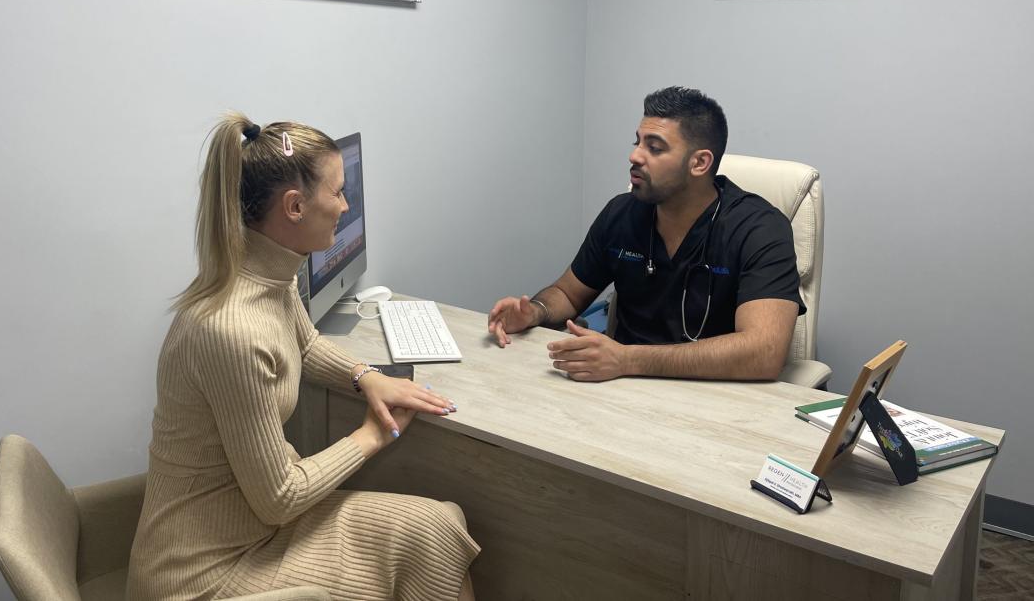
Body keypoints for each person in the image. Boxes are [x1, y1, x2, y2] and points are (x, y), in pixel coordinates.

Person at [127, 114, 478, 601]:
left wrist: (365, 375)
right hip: (203, 572)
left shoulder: (269, 273)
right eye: (337, 192)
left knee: (439, 528)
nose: (345, 205)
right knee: (432, 541)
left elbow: (305, 344)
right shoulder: (231, 331)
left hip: (252, 528)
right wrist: (373, 434)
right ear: (295, 207)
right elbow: (280, 497)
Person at [487, 87, 805, 382]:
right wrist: (535, 312)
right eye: (637, 142)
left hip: (716, 398)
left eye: (654, 147)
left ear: (700, 163)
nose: (635, 156)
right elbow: (569, 294)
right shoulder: (622, 213)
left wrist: (629, 359)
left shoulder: (759, 229)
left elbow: (763, 352)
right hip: (620, 389)